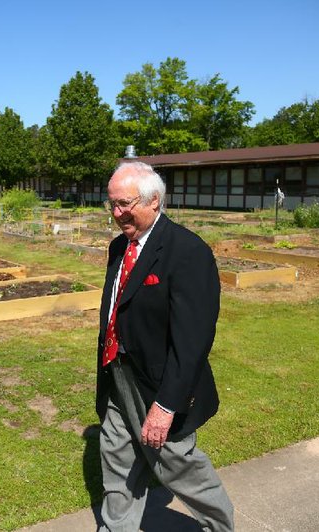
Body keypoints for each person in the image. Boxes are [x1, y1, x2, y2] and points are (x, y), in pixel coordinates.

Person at [96, 161, 234, 531]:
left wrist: (166, 405)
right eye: (112, 204)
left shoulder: (187, 251)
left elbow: (193, 340)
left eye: (125, 204)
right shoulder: (119, 248)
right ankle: (116, 527)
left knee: (175, 462)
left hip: (159, 382)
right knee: (115, 450)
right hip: (119, 369)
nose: (116, 213)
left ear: (154, 201)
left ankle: (219, 526)